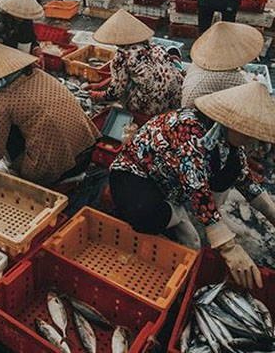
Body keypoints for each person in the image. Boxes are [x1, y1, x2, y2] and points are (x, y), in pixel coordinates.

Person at [110, 82, 275, 289]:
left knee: (231, 170)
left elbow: (245, 179)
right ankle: (177, 215)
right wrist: (229, 248)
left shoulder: (226, 139)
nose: (252, 141)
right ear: (231, 122)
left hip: (172, 183)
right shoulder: (188, 129)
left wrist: (272, 213)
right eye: (248, 133)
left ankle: (189, 215)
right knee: (145, 214)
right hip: (136, 173)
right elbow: (197, 188)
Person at [0, 42, 100, 185]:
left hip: (58, 171)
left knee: (5, 134)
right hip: (87, 154)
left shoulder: (1, 100)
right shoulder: (40, 74)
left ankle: (31, 172)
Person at [90, 10, 183, 116]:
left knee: (124, 94)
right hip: (176, 97)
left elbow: (115, 93)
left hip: (153, 105)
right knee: (135, 78)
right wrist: (98, 85)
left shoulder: (122, 56)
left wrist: (96, 95)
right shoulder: (157, 47)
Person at [182, 22, 262, 108]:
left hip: (188, 100)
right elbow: (250, 95)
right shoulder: (228, 75)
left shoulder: (202, 60)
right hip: (195, 112)